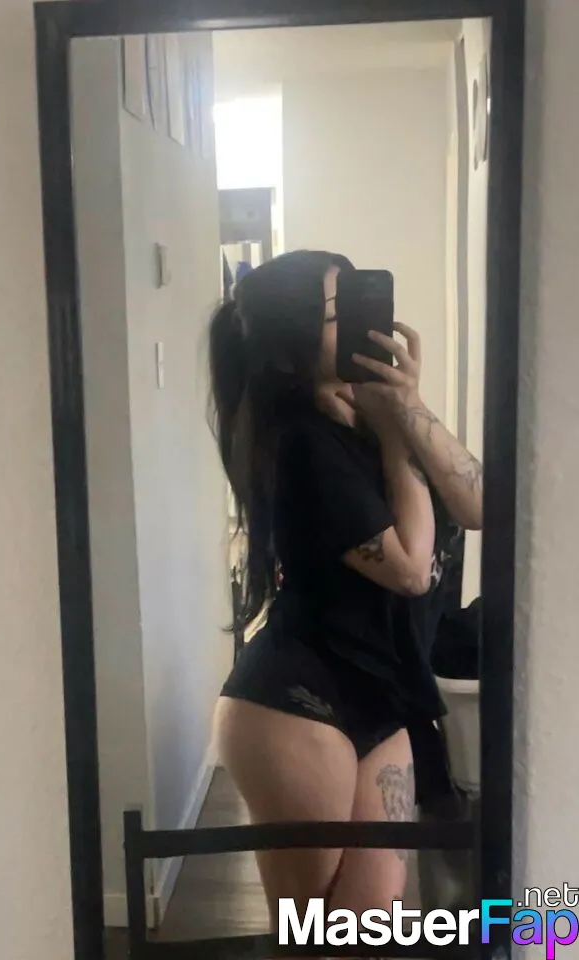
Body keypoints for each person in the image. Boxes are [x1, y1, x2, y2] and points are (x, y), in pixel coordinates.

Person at [207, 250, 483, 932]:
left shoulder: (374, 416)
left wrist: (406, 407)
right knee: (315, 934)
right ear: (288, 355)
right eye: (339, 314)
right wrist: (394, 435)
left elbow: (482, 505)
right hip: (297, 705)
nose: (368, 324)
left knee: (369, 930)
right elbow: (410, 568)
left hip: (382, 695)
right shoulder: (300, 443)